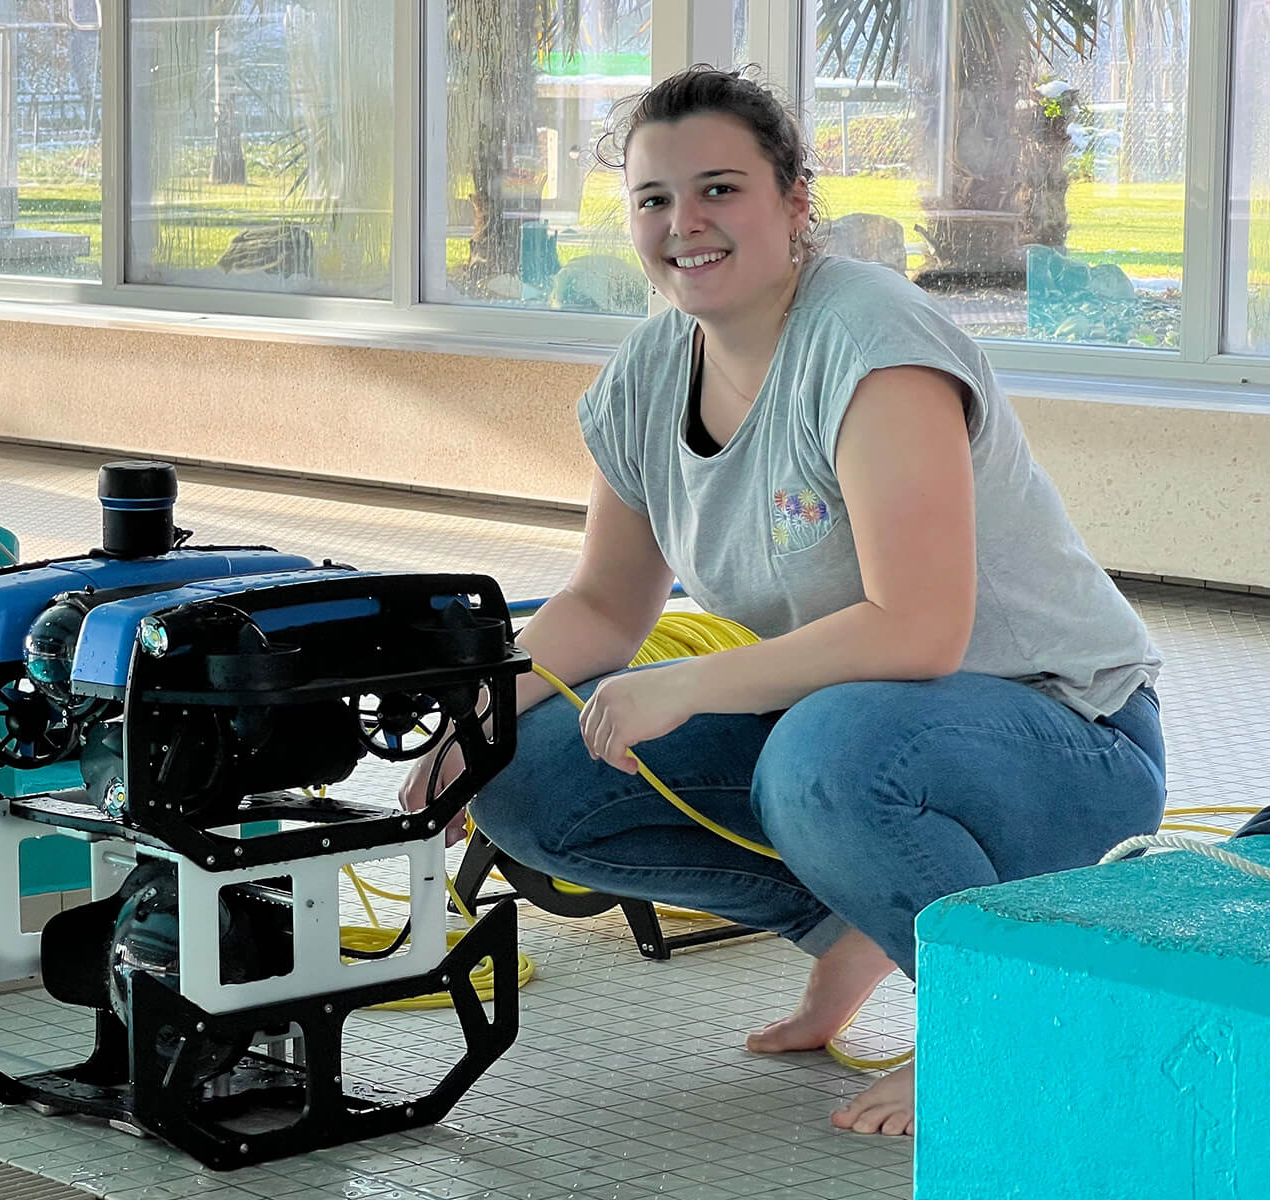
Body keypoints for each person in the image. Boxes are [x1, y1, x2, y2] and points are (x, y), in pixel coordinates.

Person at [398, 65, 1166, 1139]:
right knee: (527, 779)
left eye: (721, 189)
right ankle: (847, 926)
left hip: (1061, 736)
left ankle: (1002, 1021)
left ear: (796, 200)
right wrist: (473, 725)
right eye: (655, 199)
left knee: (824, 752)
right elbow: (604, 606)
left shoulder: (870, 344)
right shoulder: (652, 369)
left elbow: (921, 627)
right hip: (861, 726)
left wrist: (689, 685)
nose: (685, 225)